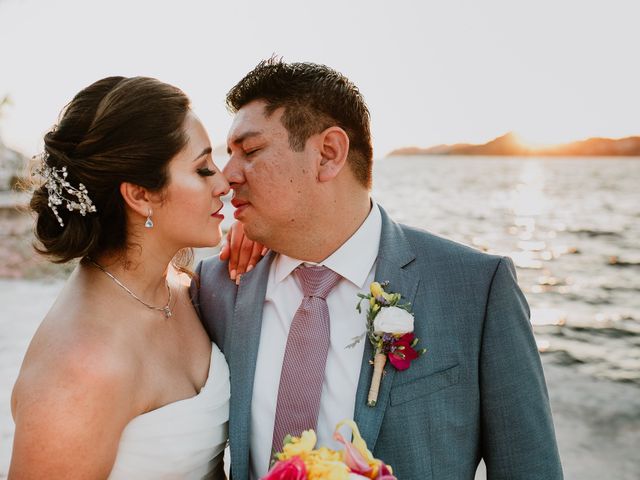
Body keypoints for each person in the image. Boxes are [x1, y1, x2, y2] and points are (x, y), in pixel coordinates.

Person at [192, 59, 564, 480]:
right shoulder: (218, 287)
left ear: (328, 155)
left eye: (251, 151)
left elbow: (529, 468)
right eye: (229, 155)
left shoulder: (476, 289)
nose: (226, 177)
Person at [10, 76, 232, 479]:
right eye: (202, 169)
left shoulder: (180, 288)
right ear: (140, 195)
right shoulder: (81, 367)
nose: (224, 183)